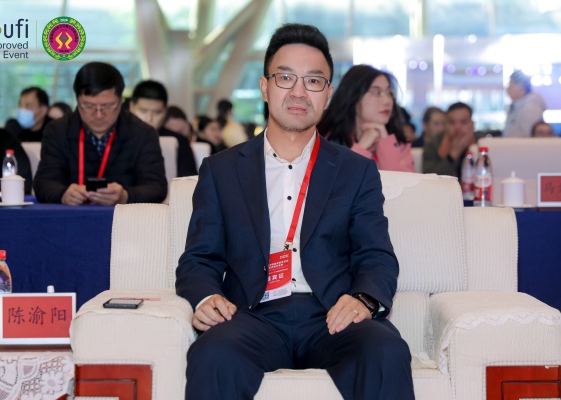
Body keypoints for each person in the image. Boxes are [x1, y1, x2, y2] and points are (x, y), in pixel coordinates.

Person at [176, 23, 414, 400]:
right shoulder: (222, 170)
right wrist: (206, 298)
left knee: (385, 350)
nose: (299, 92)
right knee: (212, 354)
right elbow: (199, 259)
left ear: (328, 94)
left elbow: (376, 256)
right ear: (265, 87)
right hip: (251, 315)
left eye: (314, 81)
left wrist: (364, 300)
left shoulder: (355, 171)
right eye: (286, 77)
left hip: (332, 315)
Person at [33, 62, 167, 205]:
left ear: (121, 101)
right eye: (89, 106)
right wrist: (63, 194)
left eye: (107, 106)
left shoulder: (143, 133)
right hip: (71, 216)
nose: (98, 115)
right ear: (77, 100)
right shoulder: (57, 131)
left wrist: (125, 196)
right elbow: (43, 183)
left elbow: (156, 187)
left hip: (124, 217)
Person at [318, 64, 414, 172]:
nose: (387, 101)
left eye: (389, 93)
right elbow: (335, 180)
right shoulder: (325, 142)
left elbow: (398, 181)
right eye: (377, 93)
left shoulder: (400, 145)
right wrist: (362, 147)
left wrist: (385, 143)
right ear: (353, 97)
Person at [130, 80, 198, 177]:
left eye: (157, 112)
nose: (149, 118)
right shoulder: (118, 137)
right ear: (132, 107)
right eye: (143, 111)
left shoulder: (179, 142)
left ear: (165, 111)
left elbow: (188, 180)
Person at [423, 102, 476, 179]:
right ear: (446, 125)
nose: (457, 127)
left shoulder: (481, 142)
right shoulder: (434, 144)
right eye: (452, 122)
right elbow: (429, 178)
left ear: (472, 124)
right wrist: (452, 155)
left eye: (463, 122)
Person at [503, 70, 546, 138]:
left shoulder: (531, 106)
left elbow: (530, 136)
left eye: (510, 84)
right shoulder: (518, 105)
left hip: (522, 145)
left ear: (520, 86)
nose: (507, 88)